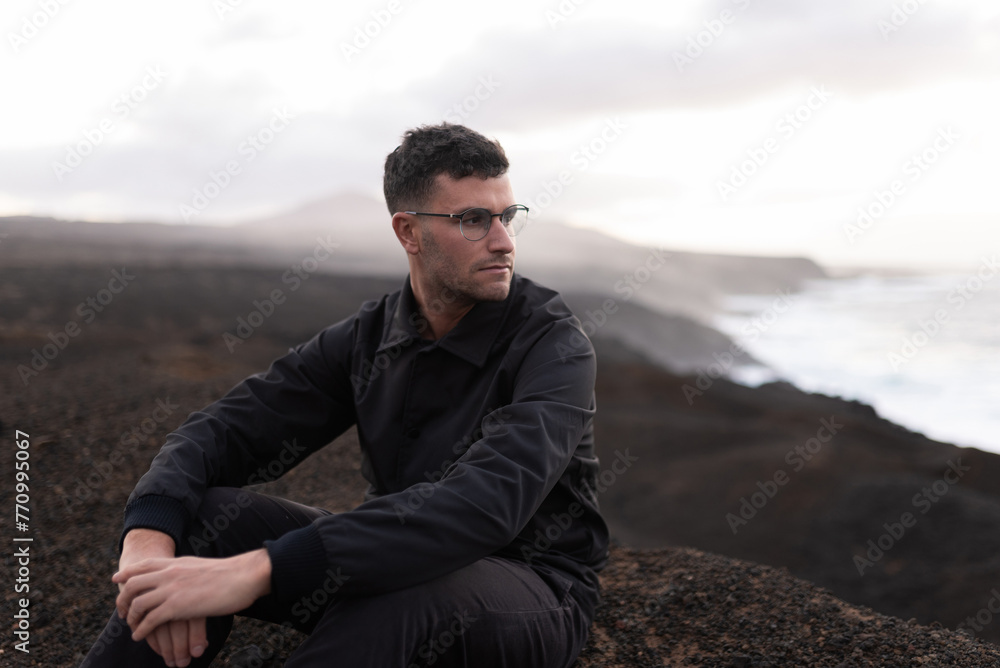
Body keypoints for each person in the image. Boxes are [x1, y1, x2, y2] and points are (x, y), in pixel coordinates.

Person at [82, 123, 610, 667]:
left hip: (532, 587)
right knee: (201, 520)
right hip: (394, 559)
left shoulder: (555, 345)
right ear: (408, 233)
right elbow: (224, 429)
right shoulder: (371, 335)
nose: (503, 240)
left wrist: (260, 569)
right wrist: (147, 541)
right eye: (473, 220)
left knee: (405, 593)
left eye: (508, 216)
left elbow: (484, 505)